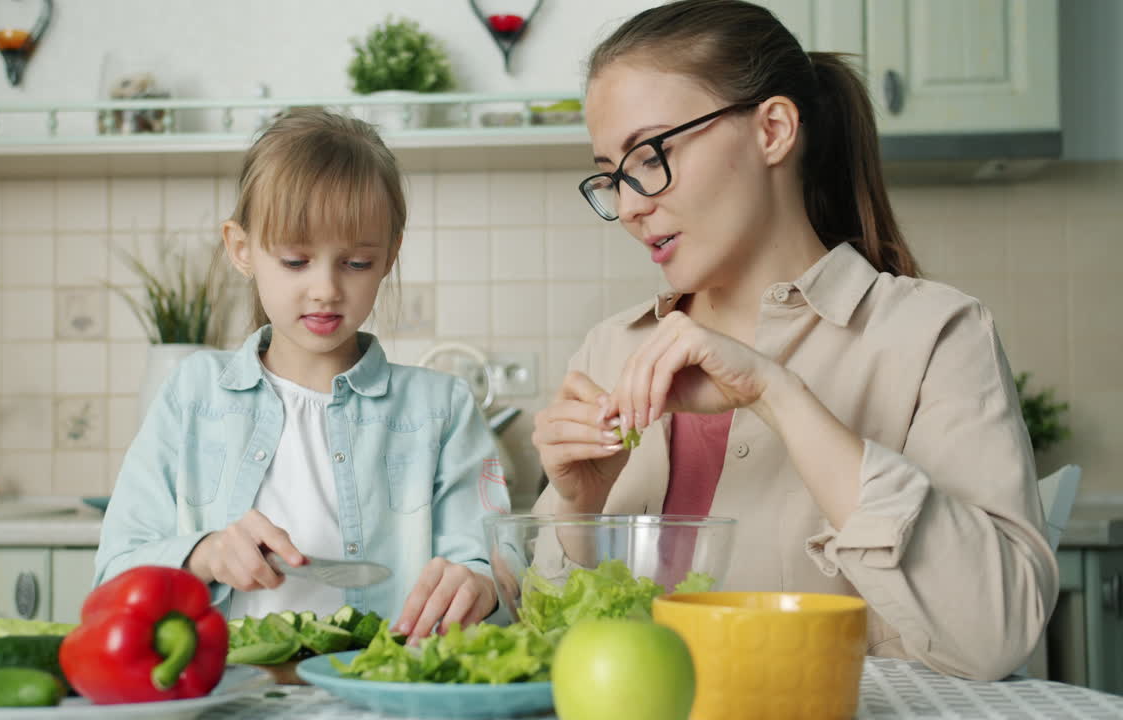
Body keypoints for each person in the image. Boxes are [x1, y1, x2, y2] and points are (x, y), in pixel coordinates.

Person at [531, 0, 1055, 680]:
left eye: (650, 155)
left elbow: (994, 636)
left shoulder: (936, 335)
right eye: (612, 174)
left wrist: (775, 393)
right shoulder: (610, 349)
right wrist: (579, 503)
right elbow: (542, 642)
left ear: (773, 129)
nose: (629, 205)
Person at [96, 108, 509, 640]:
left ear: (390, 255)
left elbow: (496, 568)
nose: (326, 289)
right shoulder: (192, 393)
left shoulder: (441, 408)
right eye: (295, 260)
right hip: (222, 695)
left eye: (356, 262)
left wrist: (482, 583)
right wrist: (204, 554)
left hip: (382, 694)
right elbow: (113, 578)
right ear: (241, 250)